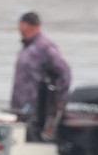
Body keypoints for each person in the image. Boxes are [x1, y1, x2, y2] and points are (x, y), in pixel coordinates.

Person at [10, 11, 72, 140]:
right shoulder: (26, 46)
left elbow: (65, 72)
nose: (19, 27)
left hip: (36, 108)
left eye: (21, 24)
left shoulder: (44, 47)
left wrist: (59, 100)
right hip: (19, 108)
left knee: (34, 138)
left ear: (29, 25)